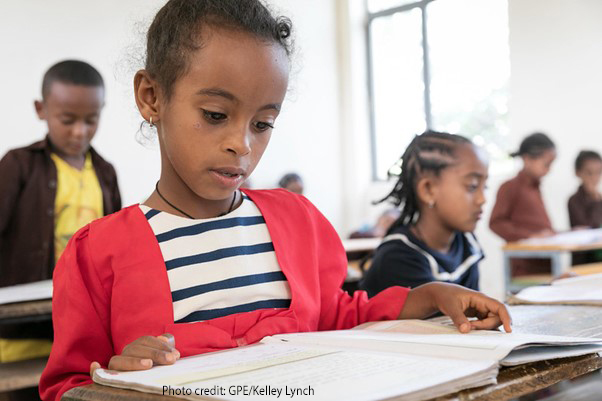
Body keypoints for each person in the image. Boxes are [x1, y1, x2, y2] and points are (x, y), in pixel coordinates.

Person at [39, 2, 511, 400]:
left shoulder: (295, 219)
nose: (242, 144)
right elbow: (68, 385)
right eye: (215, 114)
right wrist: (115, 385)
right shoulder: (97, 253)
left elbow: (338, 316)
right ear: (151, 97)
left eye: (262, 123)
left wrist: (427, 296)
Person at [0, 60, 122, 288]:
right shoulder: (18, 164)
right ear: (41, 109)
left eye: (91, 120)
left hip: (88, 300)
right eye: (67, 120)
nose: (79, 131)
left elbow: (114, 245)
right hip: (26, 306)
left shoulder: (106, 173)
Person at [359, 131, 486, 296]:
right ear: (428, 190)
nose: (482, 199)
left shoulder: (466, 243)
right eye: (472, 186)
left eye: (485, 187)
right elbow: (438, 321)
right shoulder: (399, 257)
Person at [489, 132, 556, 276]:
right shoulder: (509, 187)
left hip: (546, 263)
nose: (549, 169)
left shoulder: (535, 187)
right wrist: (530, 236)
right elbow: (496, 223)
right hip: (524, 268)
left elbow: (539, 226)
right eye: (546, 164)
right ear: (527, 159)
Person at [568, 150, 602, 264]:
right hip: (583, 260)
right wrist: (596, 200)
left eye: (598, 172)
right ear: (578, 173)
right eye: (589, 173)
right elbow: (590, 226)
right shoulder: (573, 201)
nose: (595, 177)